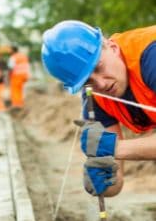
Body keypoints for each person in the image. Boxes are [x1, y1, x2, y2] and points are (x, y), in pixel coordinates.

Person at [41, 20, 156, 197]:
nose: (101, 84)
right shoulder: (95, 98)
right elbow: (116, 182)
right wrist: (101, 180)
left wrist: (116, 149)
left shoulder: (150, 57)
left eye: (98, 67)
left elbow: (115, 149)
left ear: (112, 47)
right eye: (88, 81)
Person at [8, 45, 31, 110]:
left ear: (12, 50)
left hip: (17, 75)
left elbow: (10, 67)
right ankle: (21, 103)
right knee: (20, 89)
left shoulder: (13, 57)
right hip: (24, 75)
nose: (8, 51)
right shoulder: (23, 56)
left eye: (9, 49)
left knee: (15, 90)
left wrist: (9, 76)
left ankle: (17, 104)